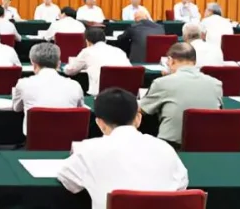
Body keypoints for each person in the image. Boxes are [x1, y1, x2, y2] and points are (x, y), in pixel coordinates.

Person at [57, 88, 189, 209]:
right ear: (138, 119)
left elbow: (68, 181)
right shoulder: (165, 148)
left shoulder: (88, 150)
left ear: (100, 123)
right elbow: (182, 185)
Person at [139, 43, 223, 147]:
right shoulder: (216, 84)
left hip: (170, 146)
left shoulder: (162, 83)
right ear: (195, 62)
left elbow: (140, 110)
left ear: (170, 61)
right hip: (207, 146)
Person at [12, 42, 84, 134]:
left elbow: (16, 108)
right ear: (58, 64)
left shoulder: (23, 84)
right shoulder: (75, 85)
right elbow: (80, 110)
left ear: (33, 64)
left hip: (35, 139)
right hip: (67, 138)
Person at [64, 28, 131, 95]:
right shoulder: (119, 51)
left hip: (100, 94)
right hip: (125, 92)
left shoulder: (87, 52)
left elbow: (70, 71)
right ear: (105, 40)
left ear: (87, 41)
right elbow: (129, 70)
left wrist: (66, 66)